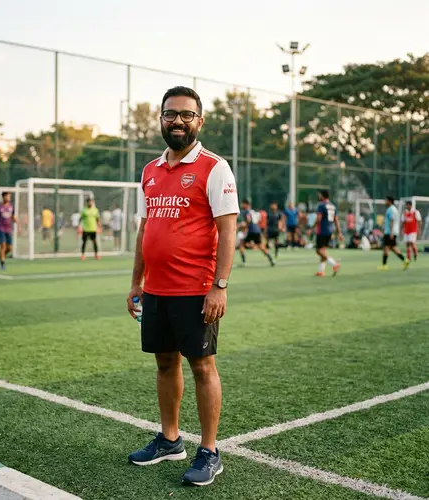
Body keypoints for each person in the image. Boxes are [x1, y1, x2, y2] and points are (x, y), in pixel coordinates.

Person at [126, 86, 239, 486]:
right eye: (170, 114)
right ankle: (170, 440)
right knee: (163, 362)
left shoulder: (214, 167)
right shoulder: (150, 171)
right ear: (160, 119)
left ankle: (209, 451)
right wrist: (136, 281)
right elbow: (145, 229)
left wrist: (219, 286)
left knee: (203, 367)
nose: (178, 121)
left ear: (199, 121)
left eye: (186, 115)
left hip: (196, 290)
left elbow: (228, 232)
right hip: (156, 290)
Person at [314, 190, 343, 277]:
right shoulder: (332, 206)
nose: (318, 197)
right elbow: (336, 220)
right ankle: (321, 271)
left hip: (322, 230)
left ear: (322, 196)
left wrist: (311, 227)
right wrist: (339, 233)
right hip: (330, 231)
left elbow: (319, 219)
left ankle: (334, 264)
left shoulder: (321, 206)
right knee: (323, 250)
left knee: (318, 250)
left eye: (319, 195)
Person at [238, 199, 274, 267]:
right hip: (257, 229)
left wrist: (240, 225)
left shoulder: (246, 211)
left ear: (246, 204)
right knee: (260, 245)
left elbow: (248, 220)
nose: (241, 205)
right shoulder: (253, 211)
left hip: (251, 230)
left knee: (241, 244)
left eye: (243, 204)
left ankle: (244, 262)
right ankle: (270, 258)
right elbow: (258, 220)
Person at [378, 196, 409, 271]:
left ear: (390, 201)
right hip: (393, 231)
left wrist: (391, 232)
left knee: (386, 248)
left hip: (389, 232)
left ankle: (384, 265)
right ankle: (405, 260)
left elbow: (392, 220)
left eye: (386, 200)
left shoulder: (390, 209)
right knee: (393, 248)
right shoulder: (394, 209)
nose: (385, 202)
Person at [0, 191, 17, 271]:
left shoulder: (11, 207)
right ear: (3, 197)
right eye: (7, 196)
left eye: (9, 197)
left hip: (8, 229)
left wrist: (17, 223)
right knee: (3, 246)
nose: (9, 198)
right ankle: (2, 264)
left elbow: (12, 216)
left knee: (9, 248)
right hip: (0, 229)